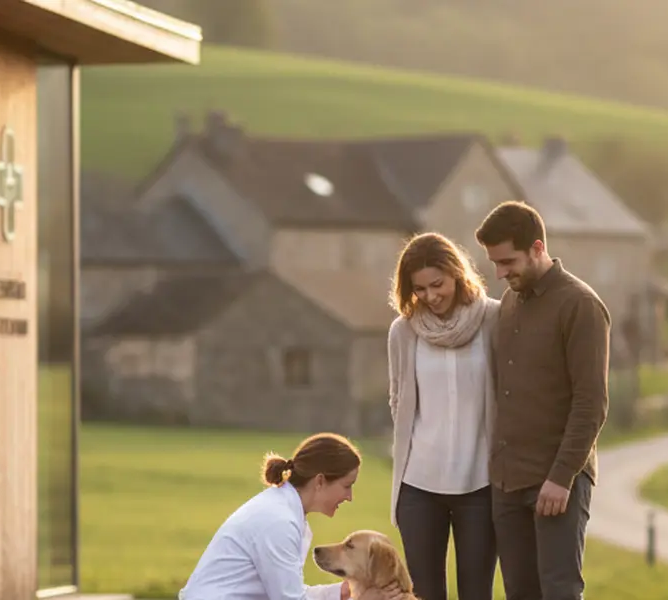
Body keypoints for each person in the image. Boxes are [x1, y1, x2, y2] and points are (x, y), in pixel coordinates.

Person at [474, 201, 610, 600]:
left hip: (556, 481)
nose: (500, 273)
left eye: (507, 261)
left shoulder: (580, 305)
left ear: (537, 247)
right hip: (507, 481)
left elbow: (592, 403)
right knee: (520, 593)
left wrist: (561, 476)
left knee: (559, 591)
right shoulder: (511, 303)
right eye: (494, 263)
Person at [385, 232, 500, 600]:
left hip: (480, 485)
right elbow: (398, 399)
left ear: (457, 273)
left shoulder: (494, 319)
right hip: (419, 486)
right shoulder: (402, 332)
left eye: (438, 284)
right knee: (424, 594)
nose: (431, 296)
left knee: (476, 593)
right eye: (419, 289)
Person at [179, 432, 362, 600]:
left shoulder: (282, 509)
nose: (350, 497)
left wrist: (344, 591)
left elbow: (289, 593)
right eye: (347, 485)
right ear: (320, 481)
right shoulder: (279, 521)